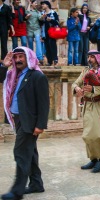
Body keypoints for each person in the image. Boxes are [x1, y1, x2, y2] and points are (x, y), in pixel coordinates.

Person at [0, 47, 49, 200]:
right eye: (16, 57)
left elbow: (44, 103)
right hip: (18, 119)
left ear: (28, 58)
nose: (19, 60)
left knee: (20, 153)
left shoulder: (37, 76)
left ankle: (17, 191)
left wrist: (40, 125)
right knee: (30, 152)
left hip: (30, 121)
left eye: (22, 56)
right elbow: (1, 79)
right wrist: (4, 65)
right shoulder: (13, 74)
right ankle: (36, 184)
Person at [72, 50, 100, 173]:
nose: (90, 59)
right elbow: (76, 83)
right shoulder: (85, 71)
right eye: (89, 57)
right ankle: (93, 158)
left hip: (99, 105)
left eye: (92, 57)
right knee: (88, 132)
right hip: (87, 104)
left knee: (97, 133)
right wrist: (77, 88)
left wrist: (93, 89)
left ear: (97, 58)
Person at [40, 1, 59, 66]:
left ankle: (55, 59)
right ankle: (49, 61)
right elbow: (40, 23)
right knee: (47, 47)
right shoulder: (42, 13)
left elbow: (57, 22)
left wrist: (50, 20)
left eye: (43, 4)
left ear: (47, 5)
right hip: (45, 32)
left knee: (52, 45)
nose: (42, 5)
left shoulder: (53, 13)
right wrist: (42, 18)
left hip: (52, 32)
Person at [26, 0, 44, 65]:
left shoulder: (37, 12)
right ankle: (31, 58)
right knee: (30, 44)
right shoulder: (28, 10)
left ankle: (40, 58)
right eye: (35, 3)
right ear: (31, 4)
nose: (36, 4)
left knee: (38, 41)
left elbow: (40, 18)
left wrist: (42, 16)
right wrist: (29, 4)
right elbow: (27, 13)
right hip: (29, 29)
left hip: (37, 29)